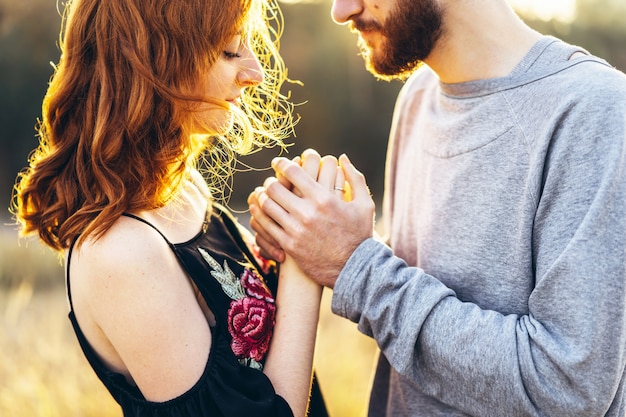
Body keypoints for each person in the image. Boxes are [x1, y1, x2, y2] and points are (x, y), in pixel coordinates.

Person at [247, 0, 626, 416]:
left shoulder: (595, 111)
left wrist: (355, 265)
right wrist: (315, 239)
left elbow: (568, 389)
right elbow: (414, 285)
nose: (341, 11)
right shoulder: (419, 96)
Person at [10, 0, 330, 416]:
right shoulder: (121, 252)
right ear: (155, 61)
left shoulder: (183, 188)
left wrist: (289, 241)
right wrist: (306, 271)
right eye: (230, 51)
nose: (256, 73)